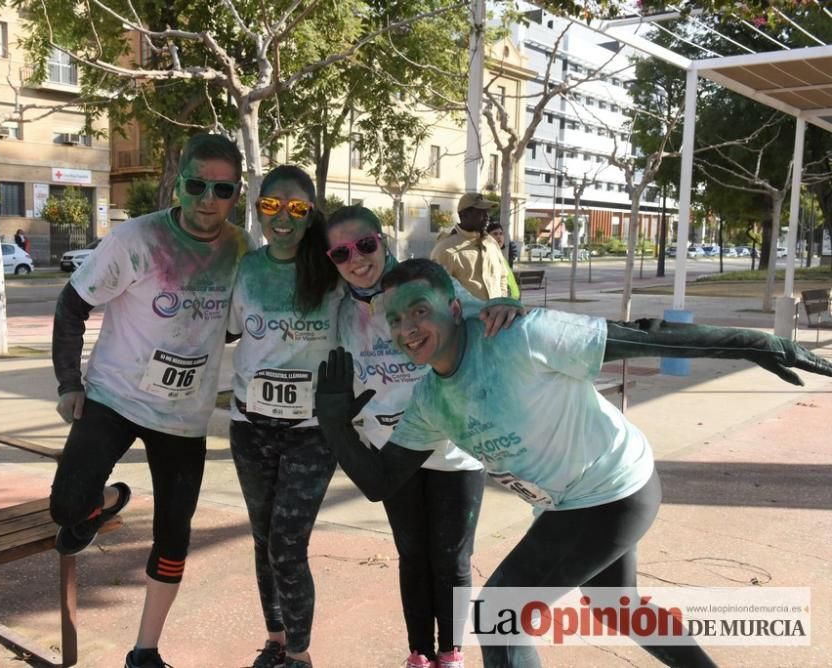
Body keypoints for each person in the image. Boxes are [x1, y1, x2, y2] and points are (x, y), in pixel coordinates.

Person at [315, 258, 832, 668]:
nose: (408, 328)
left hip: (612, 490)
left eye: (419, 310)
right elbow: (383, 481)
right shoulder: (430, 399)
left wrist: (757, 341)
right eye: (396, 318)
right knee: (615, 607)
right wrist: (335, 427)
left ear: (454, 307)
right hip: (571, 501)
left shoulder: (520, 337)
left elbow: (646, 336)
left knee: (500, 612)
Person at [49, 133, 251, 668]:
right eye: (197, 184)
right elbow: (71, 308)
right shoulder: (134, 240)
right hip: (115, 397)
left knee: (174, 535)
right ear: (177, 185)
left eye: (223, 188)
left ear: (236, 194)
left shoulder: (240, 249)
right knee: (66, 509)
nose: (209, 198)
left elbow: (234, 328)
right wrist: (69, 383)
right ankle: (105, 502)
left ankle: (145, 650)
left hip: (183, 418)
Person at [324, 206, 522, 668]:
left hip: (453, 449)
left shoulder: (422, 282)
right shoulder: (340, 310)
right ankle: (419, 652)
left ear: (382, 239)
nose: (356, 259)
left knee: (451, 557)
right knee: (411, 554)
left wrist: (505, 307)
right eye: (341, 252)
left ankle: (451, 651)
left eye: (365, 245)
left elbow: (473, 313)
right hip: (391, 451)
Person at [226, 165, 344, 668]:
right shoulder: (246, 269)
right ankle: (275, 641)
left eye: (296, 208)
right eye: (271, 206)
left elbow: (397, 285)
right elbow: (226, 330)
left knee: (287, 544)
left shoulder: (334, 267)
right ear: (258, 209)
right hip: (250, 427)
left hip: (312, 432)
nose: (282, 218)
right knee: (262, 539)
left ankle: (300, 654)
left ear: (311, 213)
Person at [431, 193, 509, 300]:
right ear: (464, 215)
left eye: (487, 212)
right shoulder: (445, 249)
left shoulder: (491, 243)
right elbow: (438, 289)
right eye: (481, 212)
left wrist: (502, 300)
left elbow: (503, 276)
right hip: (467, 315)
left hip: (497, 313)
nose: (487, 217)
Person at [485, 220, 519, 300]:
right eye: (495, 234)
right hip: (499, 301)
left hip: (511, 299)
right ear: (487, 237)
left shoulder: (501, 257)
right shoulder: (488, 255)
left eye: (501, 234)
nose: (499, 237)